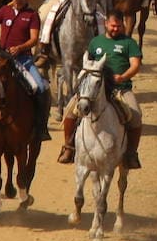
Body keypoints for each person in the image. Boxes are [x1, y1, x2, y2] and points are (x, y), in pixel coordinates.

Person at [59, 11, 144, 168]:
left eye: (119, 26)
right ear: (106, 24)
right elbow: (88, 62)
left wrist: (123, 77)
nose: (115, 29)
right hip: (96, 88)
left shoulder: (129, 43)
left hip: (120, 88)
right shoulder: (96, 42)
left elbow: (135, 65)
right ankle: (69, 147)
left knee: (136, 116)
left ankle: (131, 154)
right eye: (113, 26)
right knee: (70, 112)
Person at [0, 0, 53, 141]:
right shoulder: (4, 11)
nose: (19, 2)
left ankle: (40, 126)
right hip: (2, 58)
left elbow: (34, 39)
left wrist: (20, 48)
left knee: (40, 87)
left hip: (23, 59)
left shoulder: (32, 15)